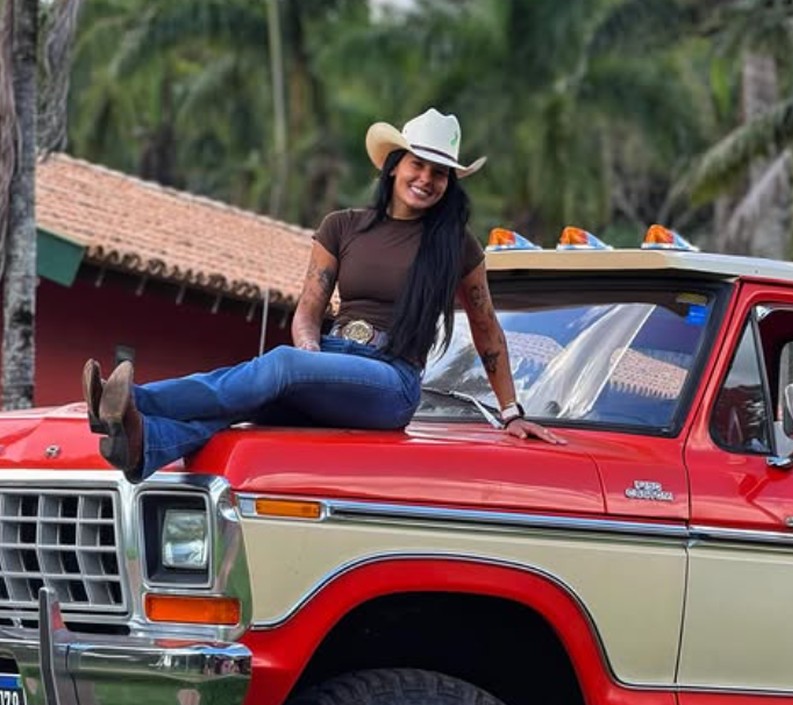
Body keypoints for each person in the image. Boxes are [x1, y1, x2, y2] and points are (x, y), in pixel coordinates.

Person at [82, 107, 563, 483]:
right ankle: (146, 443)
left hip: (390, 382)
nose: (427, 179)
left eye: (440, 173)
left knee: (281, 366)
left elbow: (485, 328)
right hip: (331, 355)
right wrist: (311, 357)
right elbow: (309, 311)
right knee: (245, 403)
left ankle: (134, 401)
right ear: (395, 166)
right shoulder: (342, 226)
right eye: (418, 164)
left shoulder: (457, 245)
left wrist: (511, 413)